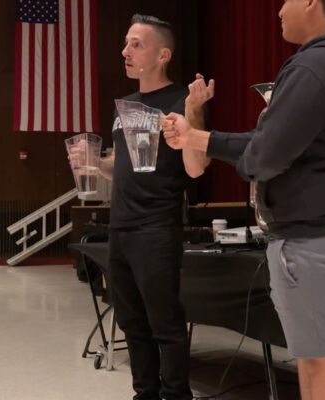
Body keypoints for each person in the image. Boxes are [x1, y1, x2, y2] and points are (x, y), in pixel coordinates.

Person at [162, 0, 325, 399]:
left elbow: (266, 155)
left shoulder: (315, 67)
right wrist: (194, 137)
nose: (278, 10)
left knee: (323, 362)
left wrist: (240, 155)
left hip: (311, 238)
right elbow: (269, 145)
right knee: (315, 359)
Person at [93, 13, 211, 400]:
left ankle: (176, 395)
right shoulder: (124, 104)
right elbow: (122, 167)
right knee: (131, 323)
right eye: (126, 43)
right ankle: (144, 394)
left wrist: (194, 111)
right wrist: (93, 162)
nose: (125, 51)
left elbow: (195, 169)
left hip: (156, 228)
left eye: (136, 44)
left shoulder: (180, 102)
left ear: (163, 55)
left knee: (165, 324)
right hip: (121, 228)